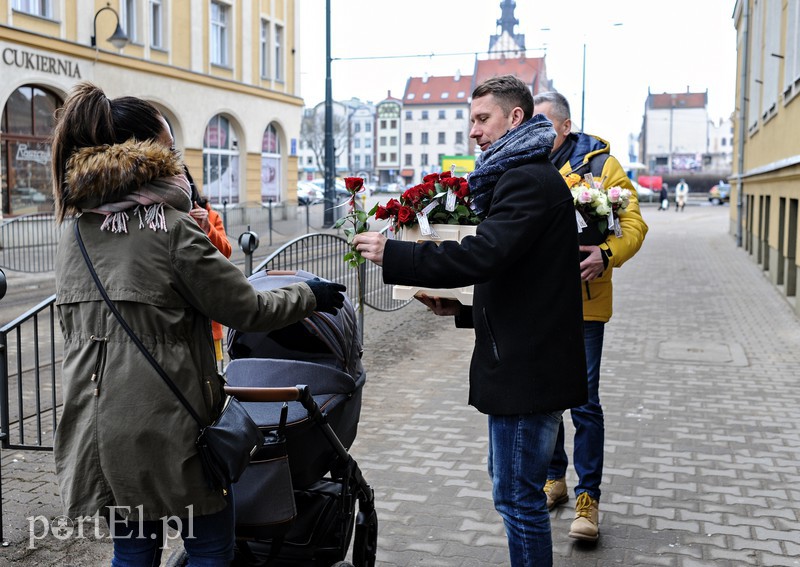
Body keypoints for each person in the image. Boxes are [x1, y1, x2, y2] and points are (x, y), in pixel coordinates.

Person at [50, 81, 346, 566]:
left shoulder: (74, 233)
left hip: (99, 428)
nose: (177, 157)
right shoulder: (169, 226)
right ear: (143, 152)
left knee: (133, 551)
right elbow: (248, 308)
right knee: (210, 547)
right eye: (168, 145)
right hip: (171, 425)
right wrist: (309, 294)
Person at [354, 75, 587, 567]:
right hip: (528, 363)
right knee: (514, 491)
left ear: (515, 118)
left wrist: (395, 253)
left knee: (518, 500)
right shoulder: (527, 174)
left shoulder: (526, 178)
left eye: (483, 119)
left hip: (527, 373)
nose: (474, 132)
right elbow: (523, 279)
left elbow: (485, 254)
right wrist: (461, 311)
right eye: (472, 120)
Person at [533, 91, 648, 542]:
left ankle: (589, 499)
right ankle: (555, 479)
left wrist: (606, 253)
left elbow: (634, 224)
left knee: (583, 402)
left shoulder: (602, 166)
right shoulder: (523, 161)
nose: (536, 132)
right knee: (545, 398)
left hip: (583, 303)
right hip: (535, 303)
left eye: (544, 124)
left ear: (564, 126)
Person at [185, 166, 232, 365]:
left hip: (207, 309)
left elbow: (226, 252)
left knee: (209, 369)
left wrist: (207, 228)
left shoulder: (209, 215)